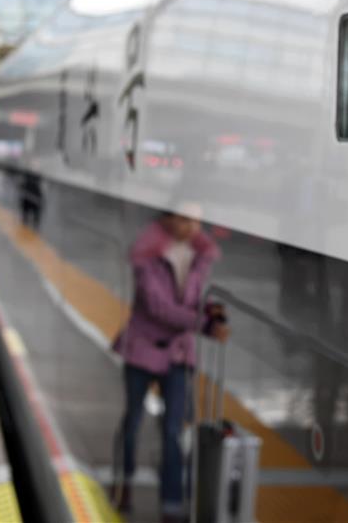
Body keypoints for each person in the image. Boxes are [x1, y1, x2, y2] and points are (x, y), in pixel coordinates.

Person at [112, 206, 229, 523]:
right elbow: (156, 306)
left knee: (173, 430)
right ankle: (125, 483)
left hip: (178, 353)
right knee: (133, 421)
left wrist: (213, 312)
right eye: (184, 218)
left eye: (196, 219)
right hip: (142, 348)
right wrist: (203, 325)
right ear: (167, 218)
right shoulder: (146, 252)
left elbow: (198, 298)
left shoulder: (202, 255)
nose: (191, 225)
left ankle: (172, 504)